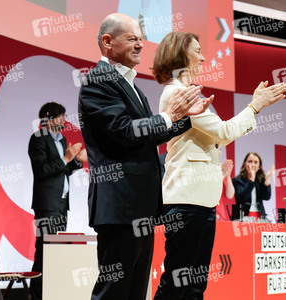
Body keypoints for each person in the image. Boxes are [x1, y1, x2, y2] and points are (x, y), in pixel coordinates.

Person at [78, 13, 213, 300]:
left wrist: (185, 120)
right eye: (132, 39)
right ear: (107, 41)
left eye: (141, 39)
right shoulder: (98, 80)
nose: (140, 45)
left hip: (141, 208)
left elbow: (147, 136)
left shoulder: (133, 86)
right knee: (113, 291)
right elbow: (124, 131)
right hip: (119, 206)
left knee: (136, 291)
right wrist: (169, 115)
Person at [151, 31, 286, 299]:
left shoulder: (185, 91)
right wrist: (255, 106)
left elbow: (218, 133)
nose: (203, 57)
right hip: (187, 201)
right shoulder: (178, 92)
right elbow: (225, 132)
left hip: (199, 201)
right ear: (180, 54)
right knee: (178, 282)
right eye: (197, 51)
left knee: (194, 285)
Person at [28, 102, 87, 300]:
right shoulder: (38, 139)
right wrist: (65, 159)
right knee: (44, 250)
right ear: (47, 118)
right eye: (59, 116)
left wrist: (78, 160)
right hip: (46, 204)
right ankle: (36, 295)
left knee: (56, 251)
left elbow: (65, 169)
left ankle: (51, 293)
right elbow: (42, 170)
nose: (63, 120)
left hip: (62, 204)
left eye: (63, 116)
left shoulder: (62, 140)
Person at [233, 152, 274, 221]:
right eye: (250, 162)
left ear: (259, 165)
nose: (253, 165)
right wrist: (251, 180)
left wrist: (267, 180)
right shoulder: (237, 180)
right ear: (244, 164)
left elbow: (266, 197)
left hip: (260, 216)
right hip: (243, 217)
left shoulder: (260, 180)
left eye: (256, 162)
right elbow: (242, 197)